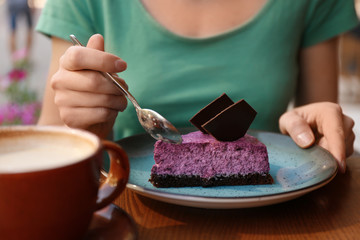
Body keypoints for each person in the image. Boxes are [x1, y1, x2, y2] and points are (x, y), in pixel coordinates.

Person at [36, 0, 357, 173]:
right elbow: (48, 151)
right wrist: (85, 130)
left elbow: (321, 154)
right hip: (123, 207)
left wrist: (317, 132)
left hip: (275, 215)